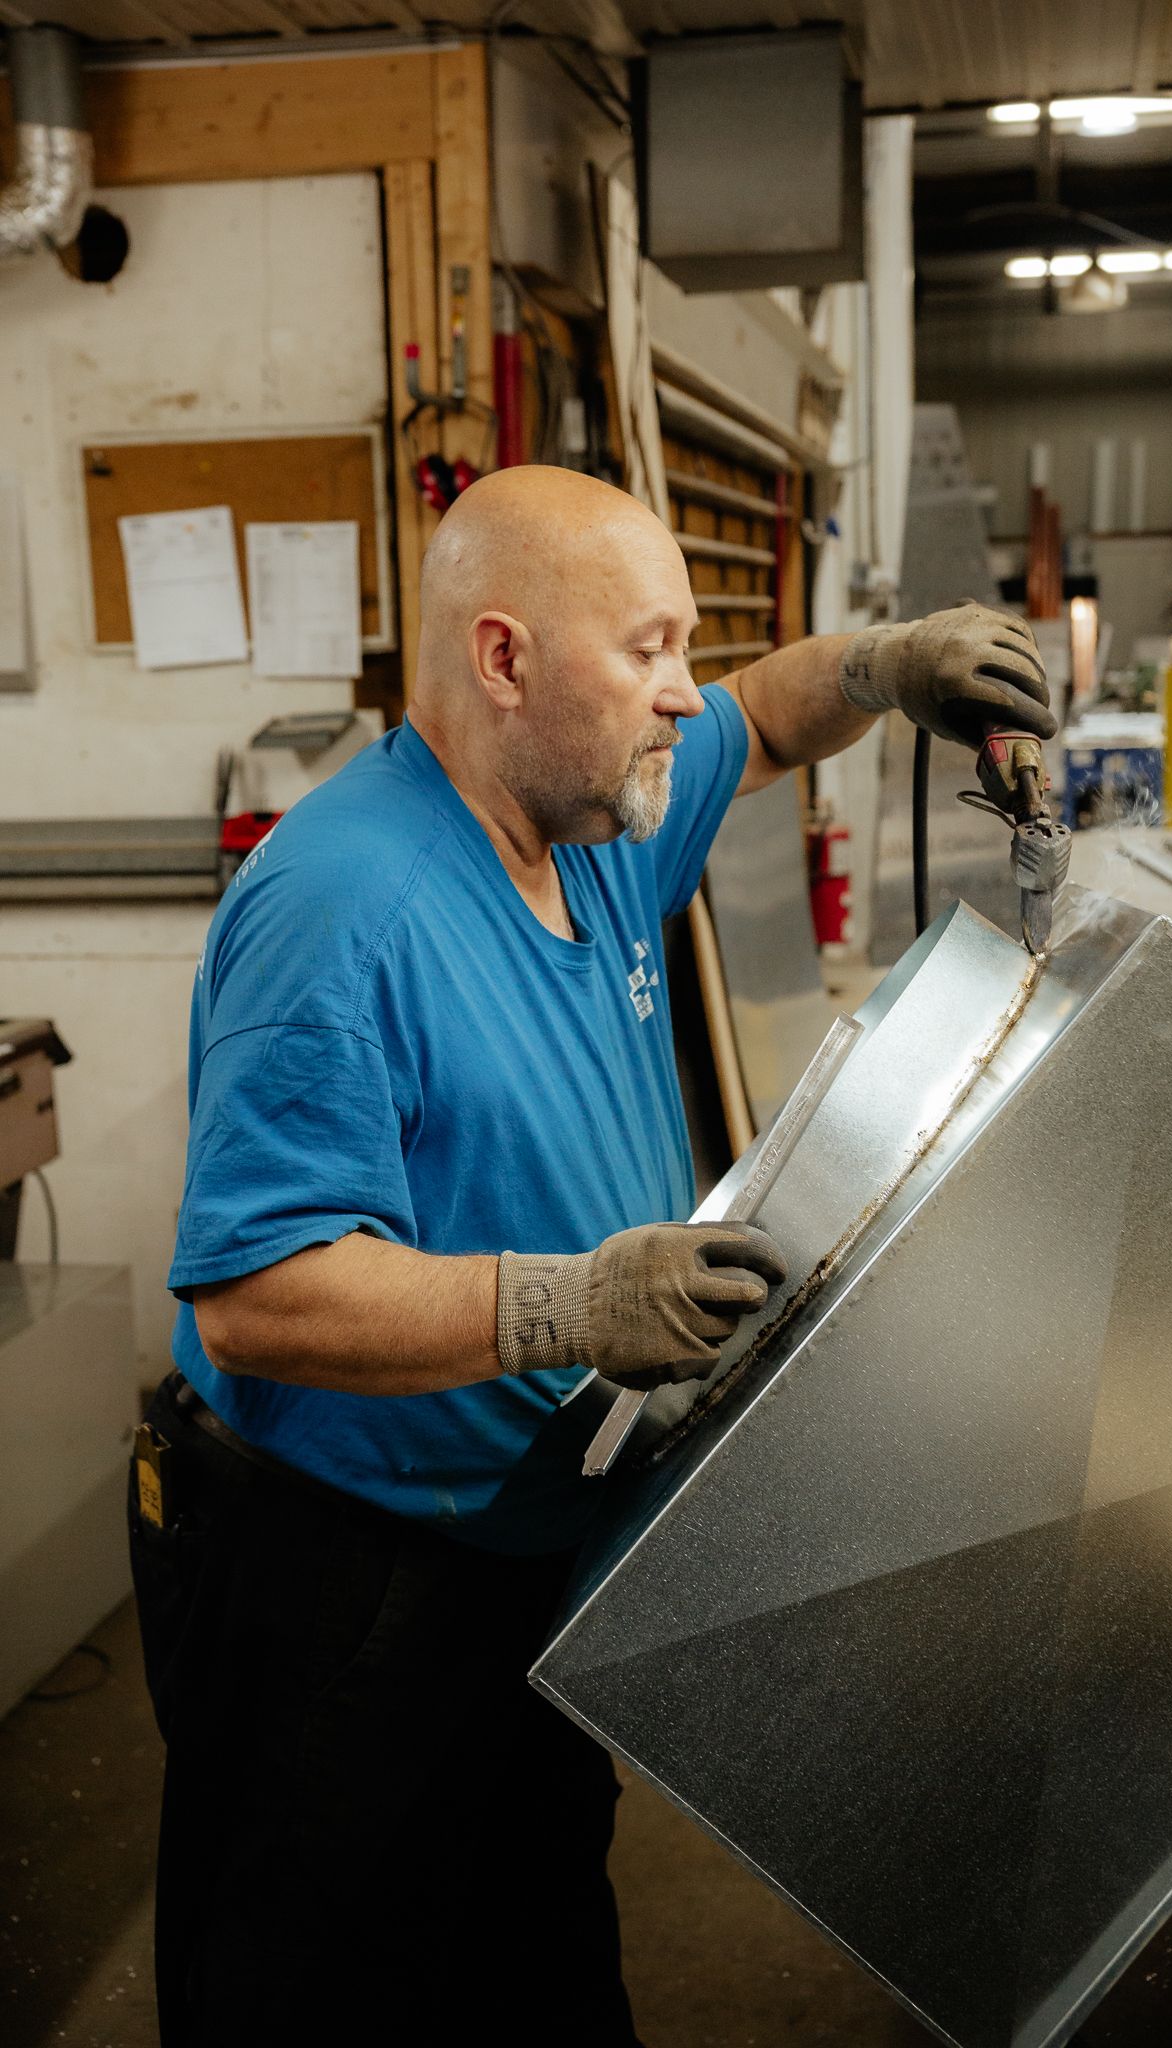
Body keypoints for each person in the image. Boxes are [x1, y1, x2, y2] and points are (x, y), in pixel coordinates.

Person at [129, 466, 1052, 2047]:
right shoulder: (340, 907)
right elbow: (258, 1293)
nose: (681, 693)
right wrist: (573, 1302)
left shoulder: (596, 816)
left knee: (535, 1958)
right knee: (332, 1988)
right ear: (503, 660)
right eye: (648, 650)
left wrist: (885, 667)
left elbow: (759, 720)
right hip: (348, 1589)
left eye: (682, 642)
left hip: (525, 1560)